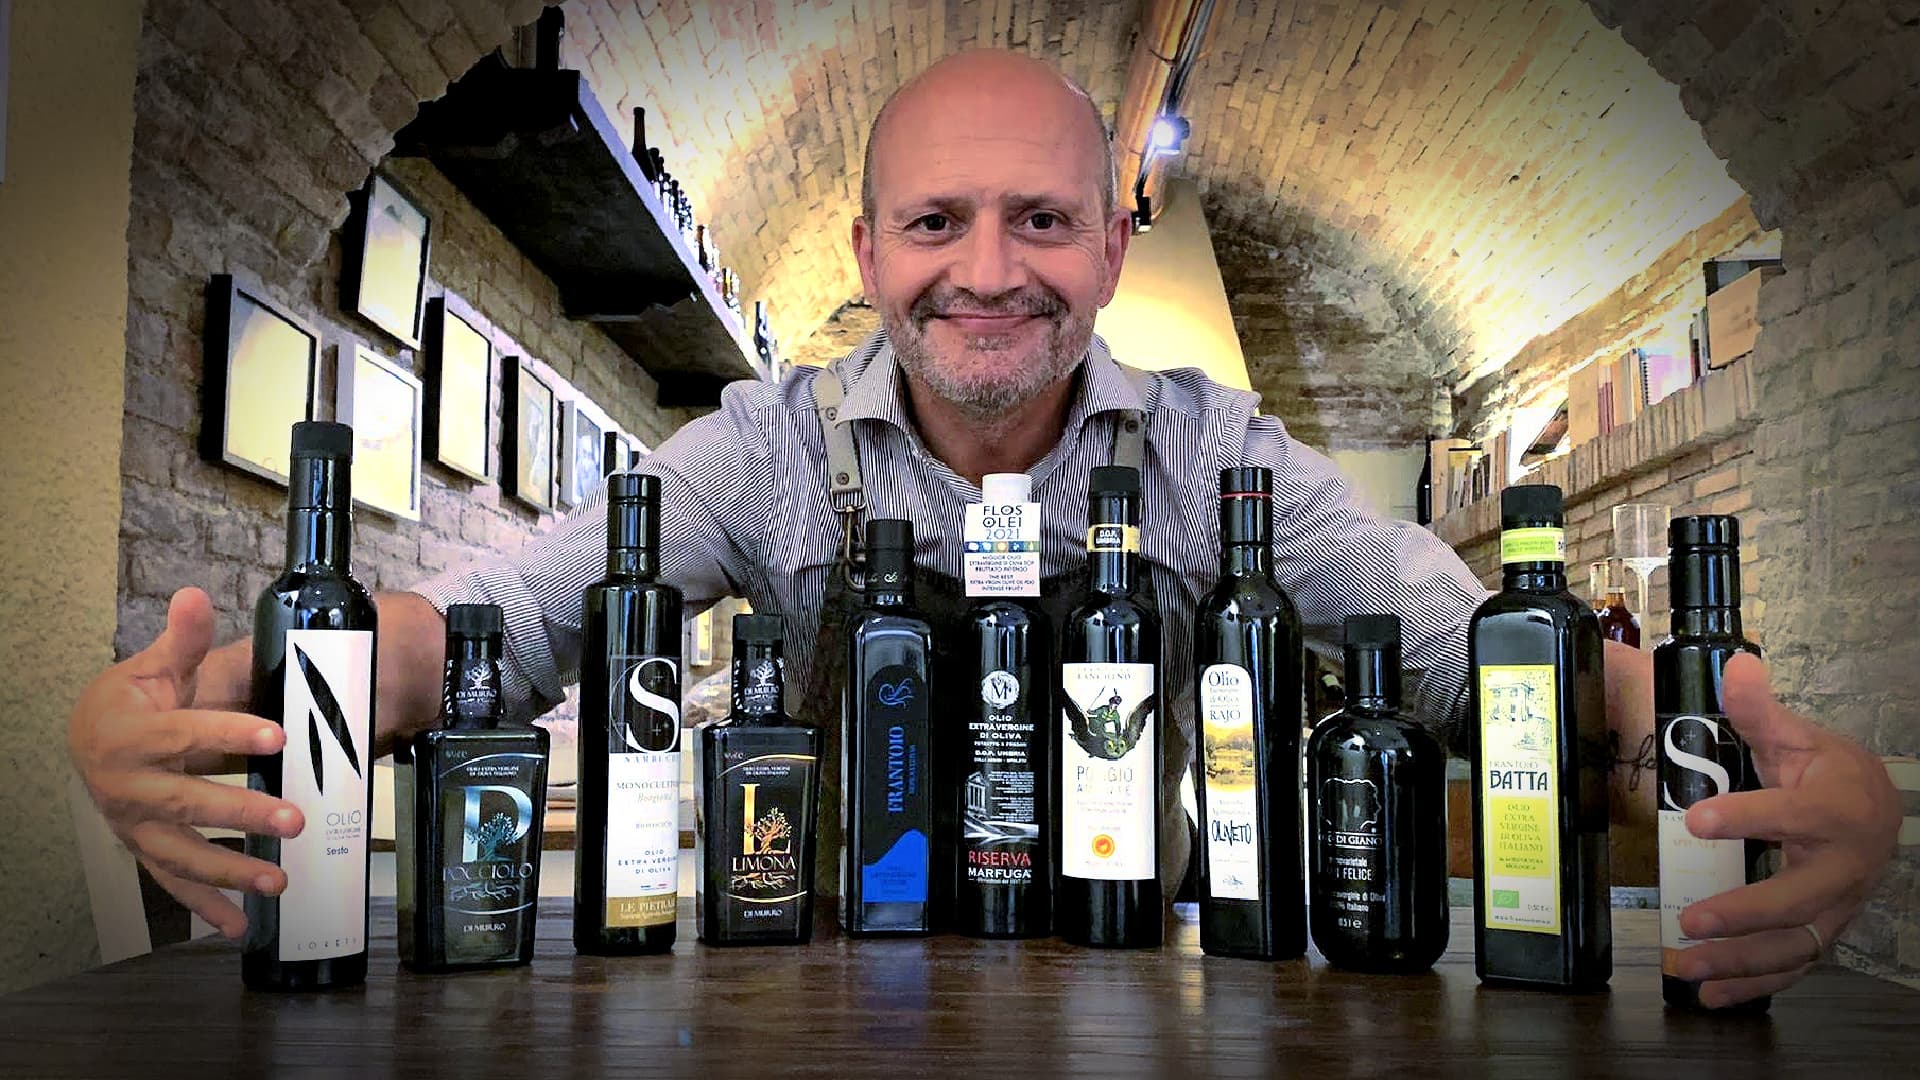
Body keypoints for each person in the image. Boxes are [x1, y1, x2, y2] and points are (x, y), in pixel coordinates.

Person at [69, 51, 1899, 1007]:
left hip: (1142, 995)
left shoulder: (1217, 451)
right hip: (814, 1002)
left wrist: (1750, 763)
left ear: (1109, 242)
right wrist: (221, 706)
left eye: (1042, 219)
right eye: (938, 222)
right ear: (868, 253)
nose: (991, 270)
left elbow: (1461, 648)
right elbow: (499, 626)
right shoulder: (760, 449)